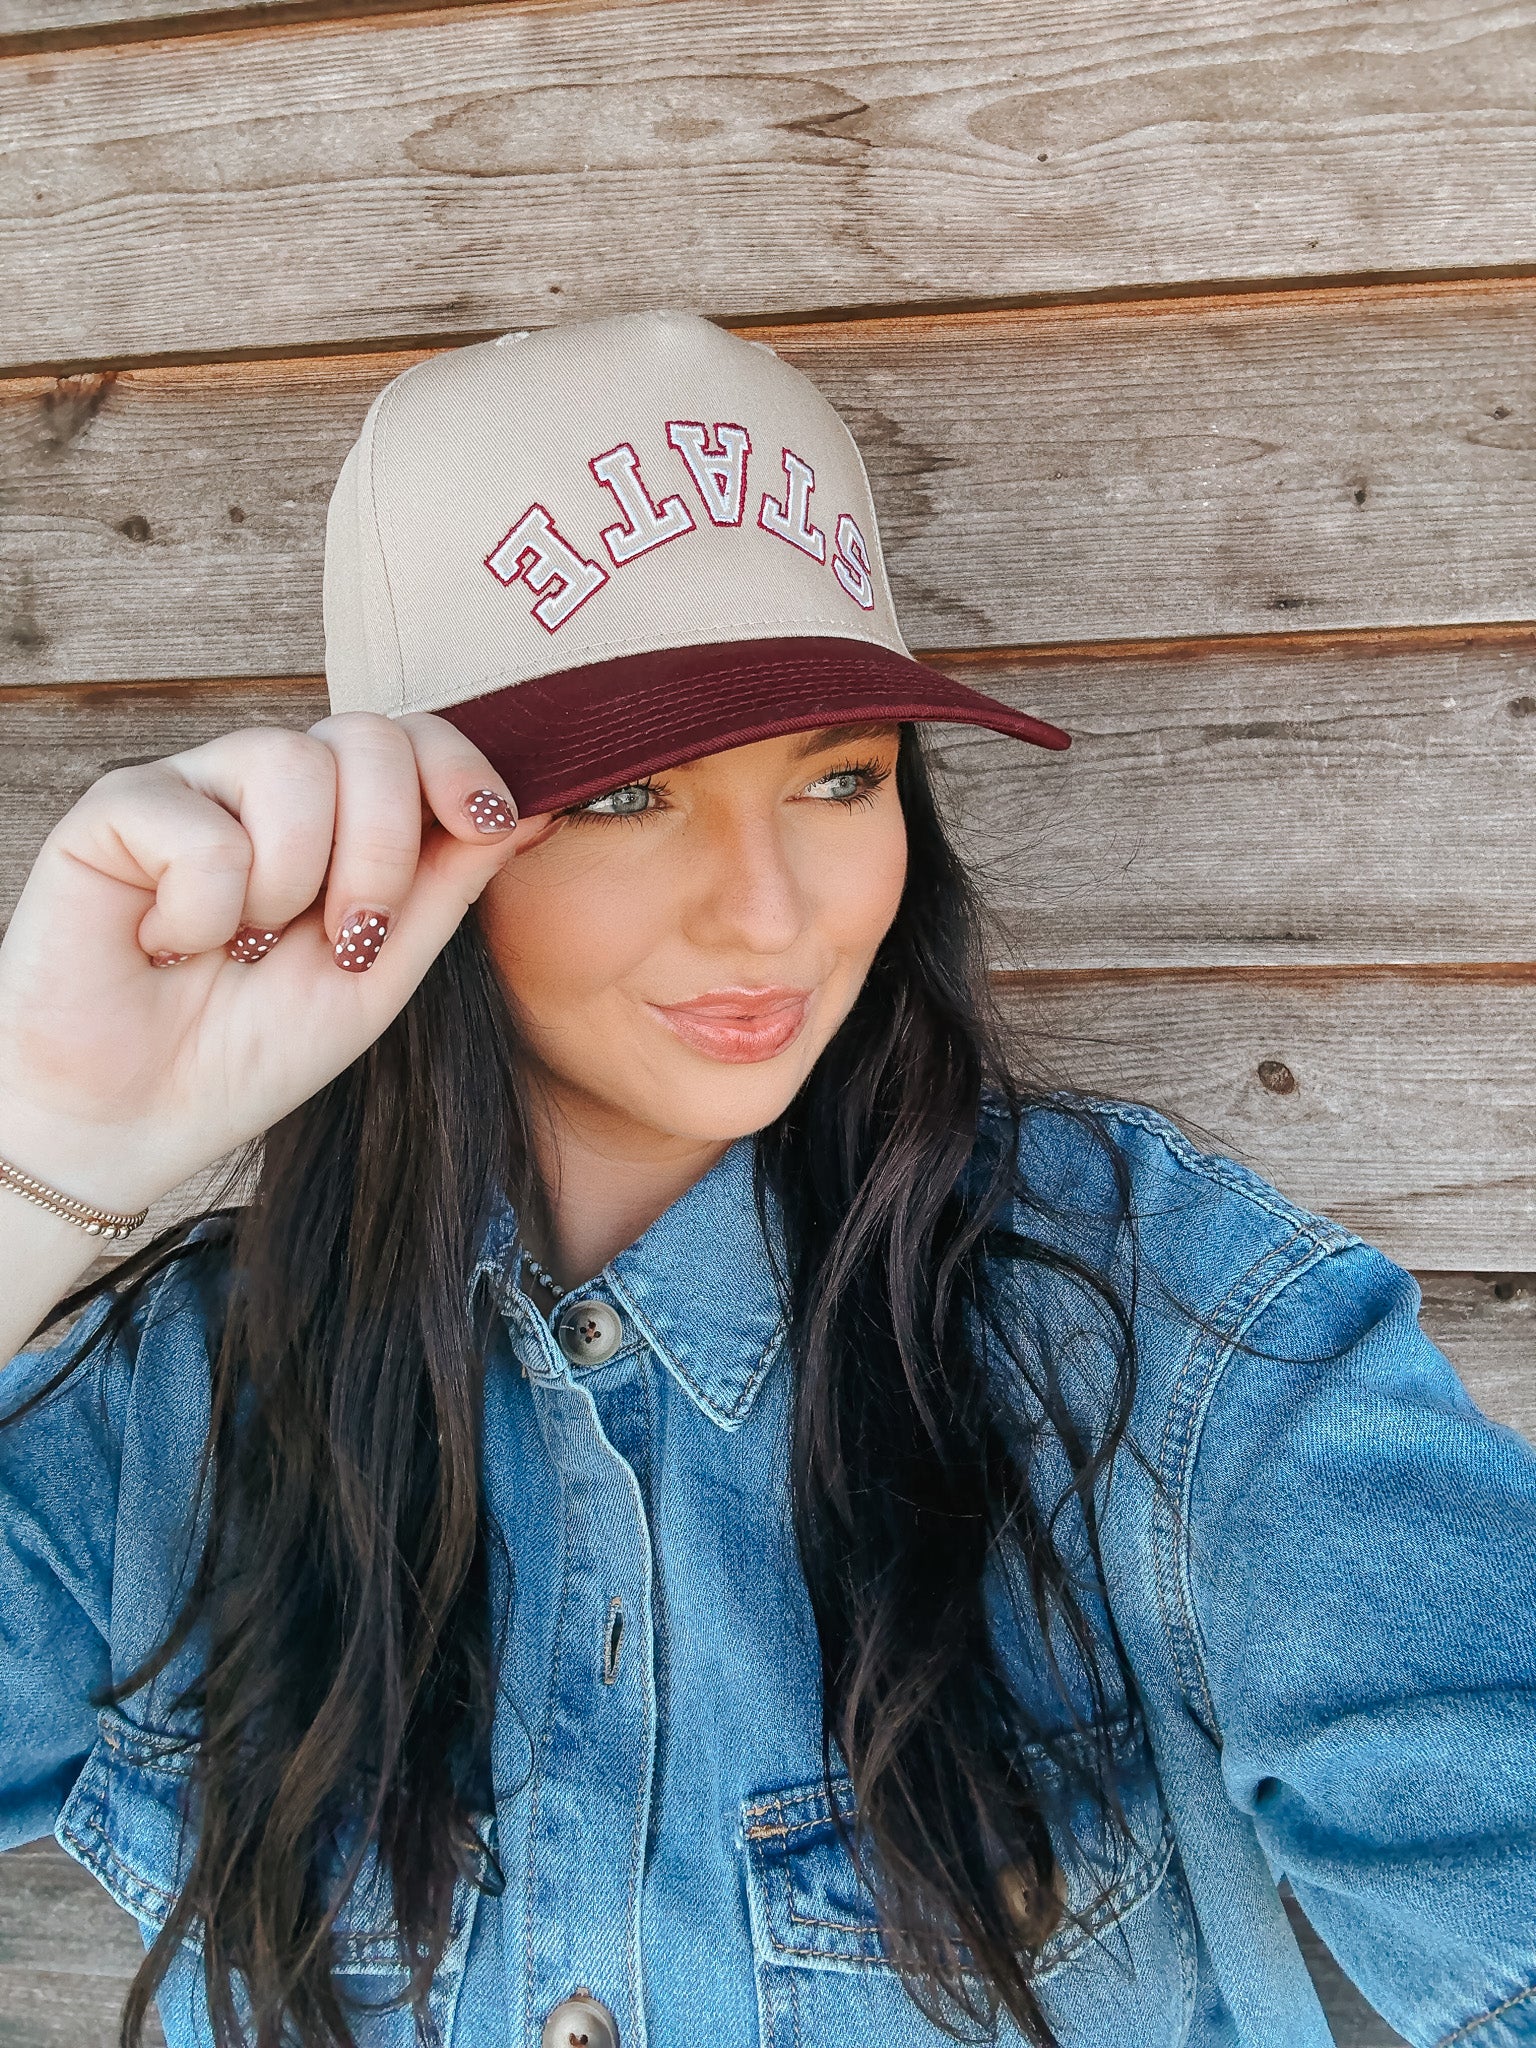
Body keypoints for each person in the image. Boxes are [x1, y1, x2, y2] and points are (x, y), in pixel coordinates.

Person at [0, 308, 1530, 2048]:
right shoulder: (182, 1414)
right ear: (399, 834)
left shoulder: (1160, 1343)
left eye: (838, 775)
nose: (774, 912)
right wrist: (35, 1152)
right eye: (629, 791)